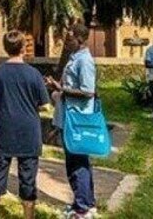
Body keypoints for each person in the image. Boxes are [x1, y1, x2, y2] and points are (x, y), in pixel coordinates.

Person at [0, 31, 51, 219]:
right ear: (23, 48)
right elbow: (45, 105)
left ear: (6, 48)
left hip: (3, 130)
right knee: (28, 179)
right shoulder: (34, 74)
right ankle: (28, 216)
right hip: (28, 133)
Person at [45, 23, 97, 218]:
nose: (66, 42)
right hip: (68, 116)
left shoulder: (85, 61)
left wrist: (61, 88)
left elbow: (88, 91)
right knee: (76, 162)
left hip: (76, 119)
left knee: (77, 164)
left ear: (80, 40)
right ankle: (84, 202)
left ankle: (82, 208)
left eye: (70, 39)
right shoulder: (75, 58)